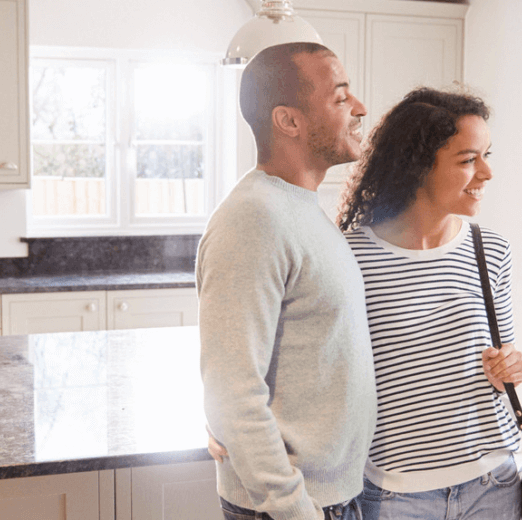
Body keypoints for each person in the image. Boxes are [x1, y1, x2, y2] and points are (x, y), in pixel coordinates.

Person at [197, 42, 374, 520]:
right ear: (289, 121)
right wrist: (294, 509)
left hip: (332, 496)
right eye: (340, 98)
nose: (359, 108)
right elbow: (232, 390)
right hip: (294, 507)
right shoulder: (253, 218)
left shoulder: (300, 208)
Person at [337, 87, 522, 520]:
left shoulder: (491, 250)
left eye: (486, 155)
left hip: (493, 484)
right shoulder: (349, 256)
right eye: (468, 160)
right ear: (418, 165)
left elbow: (502, 364)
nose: (487, 172)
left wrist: (510, 369)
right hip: (395, 495)